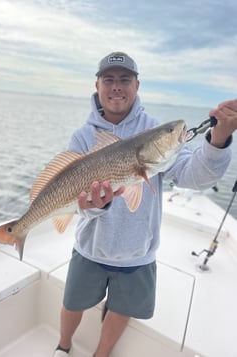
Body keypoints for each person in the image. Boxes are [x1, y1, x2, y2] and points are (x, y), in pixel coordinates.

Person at [54, 51, 237, 357]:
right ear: (97, 85)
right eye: (109, 80)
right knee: (72, 302)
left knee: (122, 308)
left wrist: (218, 139)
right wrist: (97, 205)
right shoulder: (84, 136)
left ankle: (101, 353)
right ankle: (63, 346)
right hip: (90, 247)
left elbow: (194, 175)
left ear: (136, 86)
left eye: (125, 80)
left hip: (137, 253)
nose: (116, 87)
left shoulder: (155, 128)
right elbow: (76, 202)